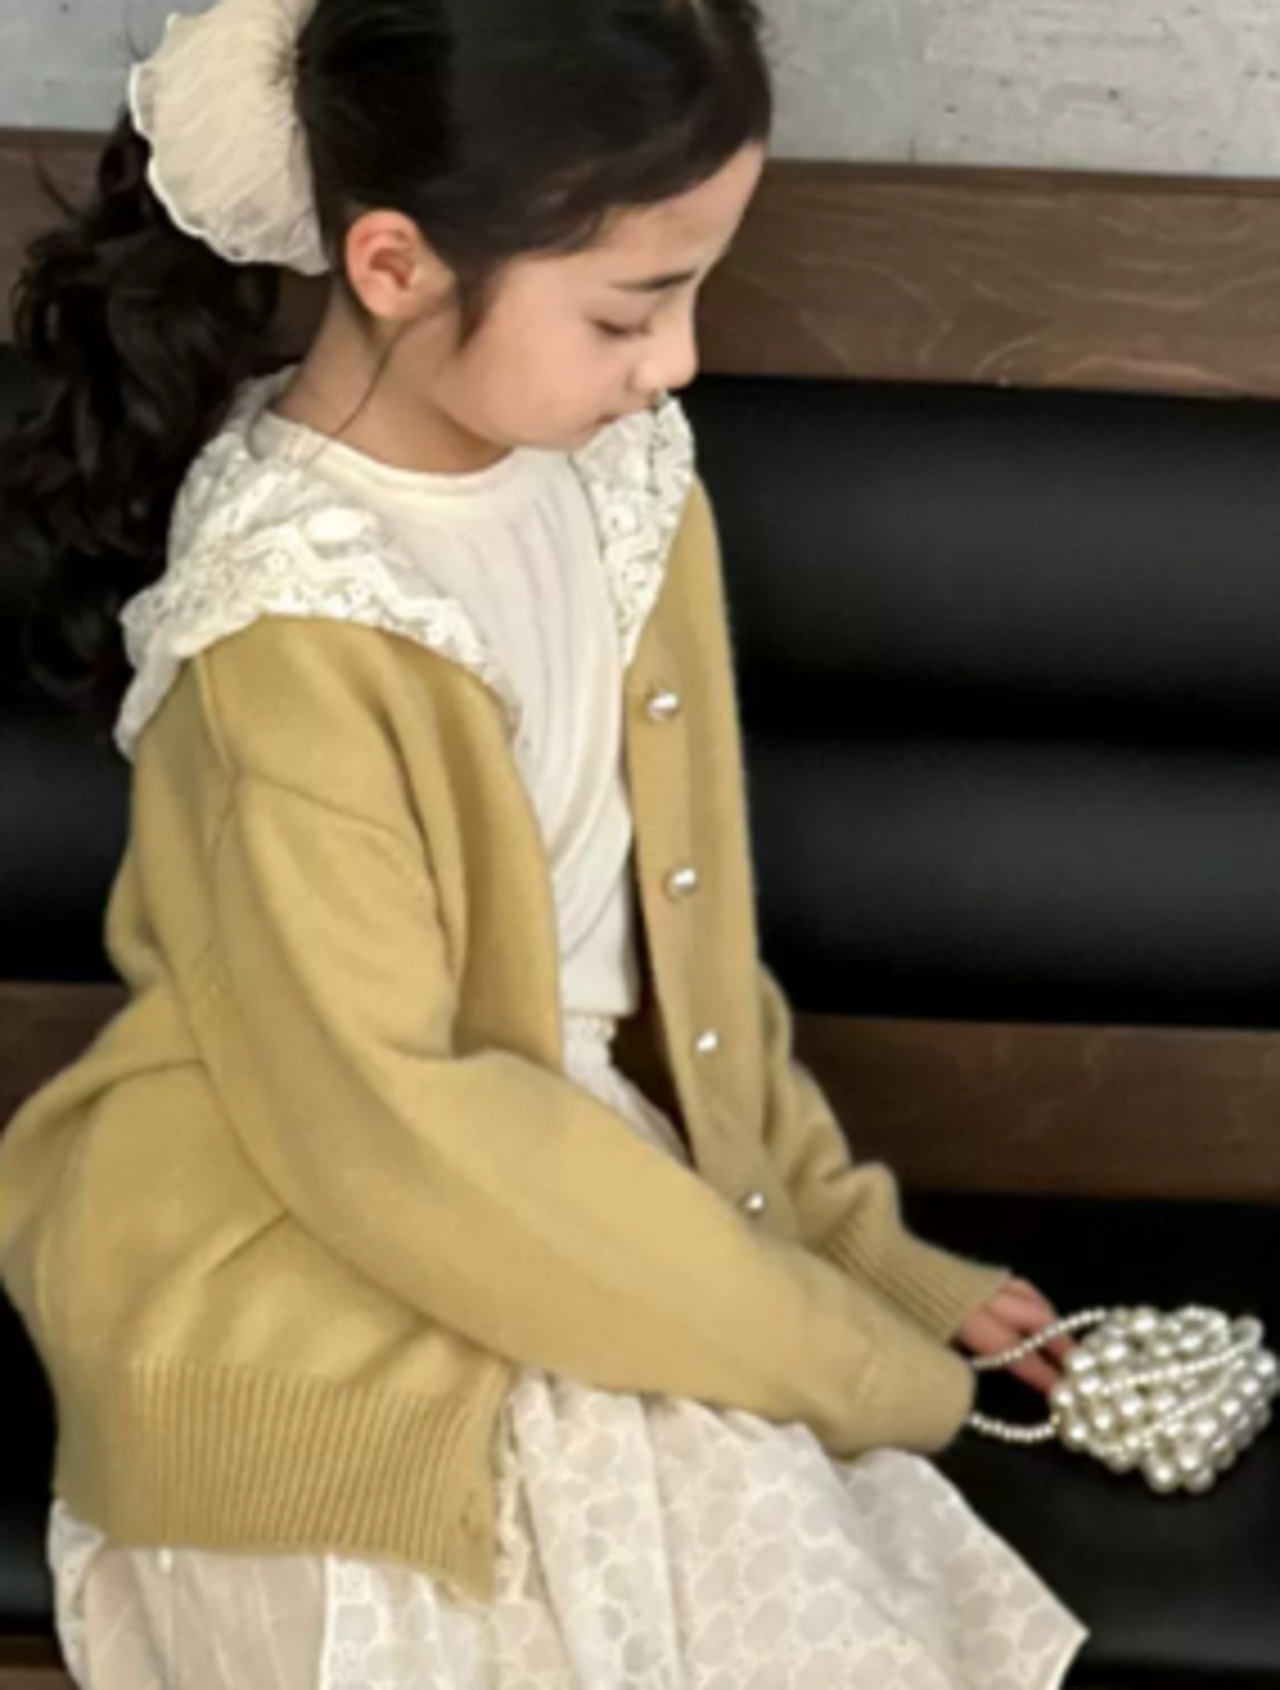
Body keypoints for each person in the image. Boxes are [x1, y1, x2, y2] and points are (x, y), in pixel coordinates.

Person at [0, 0, 1087, 1685]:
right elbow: (400, 1123)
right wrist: (846, 1357)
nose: (680, 359)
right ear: (392, 264)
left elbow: (688, 975)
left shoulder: (620, 481)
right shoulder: (291, 625)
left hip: (559, 1188)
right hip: (311, 1250)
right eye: (632, 308)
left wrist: (845, 1242)